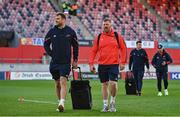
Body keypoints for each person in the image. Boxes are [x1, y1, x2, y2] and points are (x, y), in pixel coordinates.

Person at [89, 18, 127, 112]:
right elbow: (93, 51)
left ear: (111, 25)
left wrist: (122, 62)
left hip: (114, 64)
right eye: (104, 24)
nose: (105, 26)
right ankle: (105, 105)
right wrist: (91, 64)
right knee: (104, 84)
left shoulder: (117, 36)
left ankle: (112, 102)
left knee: (113, 83)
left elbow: (123, 49)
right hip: (102, 65)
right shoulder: (99, 37)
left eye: (107, 24)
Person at [44, 12, 79, 112]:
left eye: (58, 18)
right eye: (56, 18)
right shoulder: (51, 32)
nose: (56, 20)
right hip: (54, 63)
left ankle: (62, 103)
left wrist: (75, 60)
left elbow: (76, 47)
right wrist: (51, 54)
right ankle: (59, 101)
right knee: (57, 84)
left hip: (65, 63)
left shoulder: (71, 32)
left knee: (63, 81)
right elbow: (46, 44)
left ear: (64, 20)